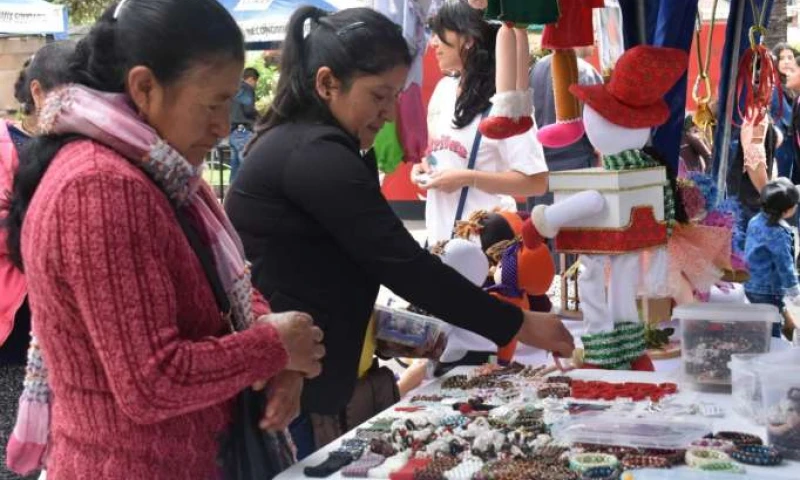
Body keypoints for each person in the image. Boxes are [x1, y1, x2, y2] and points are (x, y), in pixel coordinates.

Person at [224, 5, 574, 459]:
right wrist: (520, 324)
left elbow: (339, 270)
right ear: (327, 83)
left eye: (395, 96)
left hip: (308, 381)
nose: (389, 114)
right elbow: (402, 264)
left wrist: (417, 333)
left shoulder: (322, 145)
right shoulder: (315, 155)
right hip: (284, 396)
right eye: (378, 96)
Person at [1, 1, 324, 478]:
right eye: (212, 104)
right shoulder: (100, 185)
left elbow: (220, 284)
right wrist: (275, 346)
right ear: (145, 86)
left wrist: (278, 346)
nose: (221, 128)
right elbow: (152, 380)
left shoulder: (156, 169)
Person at [412, 1, 549, 244]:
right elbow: (438, 151)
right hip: (439, 242)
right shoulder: (443, 89)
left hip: (485, 248)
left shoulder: (505, 103)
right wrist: (423, 166)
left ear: (468, 39)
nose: (434, 43)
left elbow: (537, 182)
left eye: (440, 34)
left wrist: (468, 178)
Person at [0, 40, 75, 479]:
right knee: (12, 446)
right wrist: (49, 239)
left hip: (55, 329)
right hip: (13, 328)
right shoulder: (7, 145)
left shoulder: (70, 148)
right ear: (37, 93)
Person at [526, 47, 602, 211]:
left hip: (541, 173)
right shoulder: (583, 71)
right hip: (578, 172)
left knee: (541, 228)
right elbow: (599, 129)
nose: (592, 46)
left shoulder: (537, 68)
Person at [744, 178, 800, 340]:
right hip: (768, 289)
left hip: (751, 283)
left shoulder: (755, 221)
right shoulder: (778, 233)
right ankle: (771, 349)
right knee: (770, 326)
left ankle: (785, 329)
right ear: (787, 210)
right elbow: (785, 265)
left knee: (763, 319)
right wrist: (793, 291)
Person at [229, 66, 260, 183]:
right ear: (251, 79)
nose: (255, 85)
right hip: (243, 130)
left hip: (233, 131)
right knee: (247, 166)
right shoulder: (247, 89)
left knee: (235, 170)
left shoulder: (234, 89)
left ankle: (230, 197)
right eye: (256, 82)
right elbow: (248, 110)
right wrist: (260, 116)